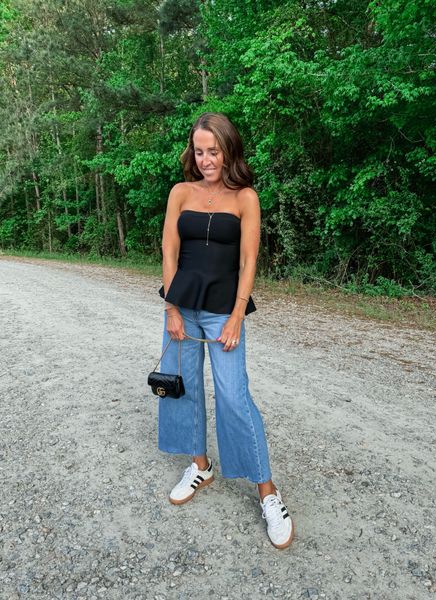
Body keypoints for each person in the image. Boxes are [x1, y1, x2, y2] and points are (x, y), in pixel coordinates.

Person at [158, 112, 294, 549]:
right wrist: (171, 308)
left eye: (213, 151)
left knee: (235, 397)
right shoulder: (180, 192)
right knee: (186, 389)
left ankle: (267, 492)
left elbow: (249, 261)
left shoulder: (245, 198)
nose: (205, 159)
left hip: (222, 314)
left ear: (228, 149)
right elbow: (169, 250)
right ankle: (200, 465)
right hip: (184, 309)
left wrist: (237, 315)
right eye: (199, 151)